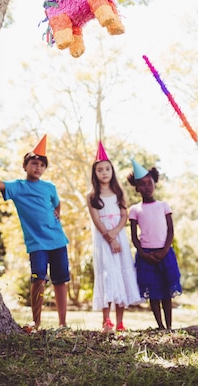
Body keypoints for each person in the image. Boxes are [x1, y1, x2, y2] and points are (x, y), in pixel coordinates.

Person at [0, 134, 70, 332]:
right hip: (37, 243)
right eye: (34, 163)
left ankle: (63, 323)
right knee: (38, 279)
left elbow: (57, 202)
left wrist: (57, 212)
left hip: (58, 240)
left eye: (42, 165)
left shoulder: (49, 187)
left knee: (60, 281)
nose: (38, 168)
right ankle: (37, 321)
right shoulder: (18, 187)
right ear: (25, 166)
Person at [87, 141, 142, 332]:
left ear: (112, 171)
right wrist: (109, 238)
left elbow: (124, 215)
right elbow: (96, 219)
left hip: (119, 239)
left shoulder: (119, 192)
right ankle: (106, 320)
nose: (104, 172)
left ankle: (120, 322)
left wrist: (116, 235)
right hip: (103, 241)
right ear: (95, 173)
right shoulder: (92, 195)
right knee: (106, 275)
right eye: (100, 170)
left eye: (107, 169)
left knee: (121, 273)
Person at [127, 159, 181, 330]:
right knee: (153, 293)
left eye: (149, 183)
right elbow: (134, 237)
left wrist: (164, 250)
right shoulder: (135, 210)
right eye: (141, 185)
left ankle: (169, 326)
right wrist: (144, 254)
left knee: (166, 291)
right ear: (136, 188)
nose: (146, 187)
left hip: (165, 253)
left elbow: (170, 231)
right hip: (146, 256)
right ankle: (160, 325)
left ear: (154, 183)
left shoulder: (164, 206)